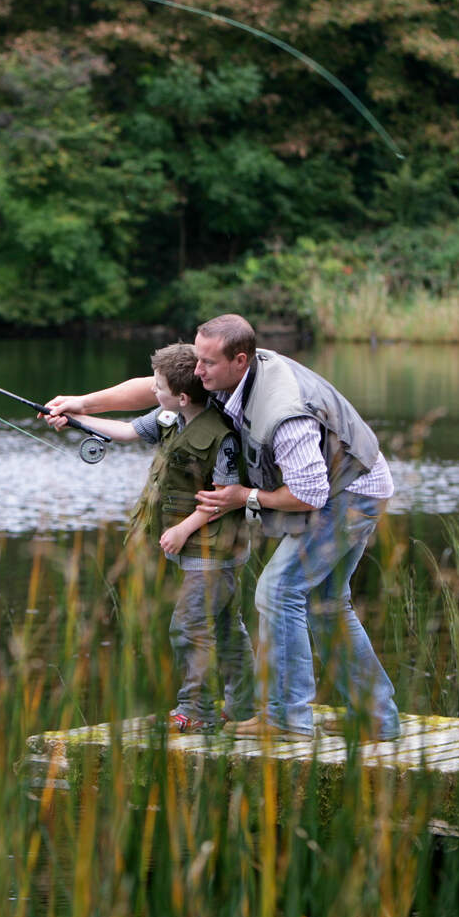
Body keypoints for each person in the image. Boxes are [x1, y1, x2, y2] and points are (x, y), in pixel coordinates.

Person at [46, 314, 399, 741]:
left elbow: (310, 495)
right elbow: (156, 388)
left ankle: (287, 720)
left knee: (279, 590)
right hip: (344, 482)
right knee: (325, 603)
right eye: (197, 360)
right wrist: (83, 404)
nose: (197, 373)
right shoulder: (222, 376)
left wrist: (243, 497)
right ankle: (376, 717)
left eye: (206, 364)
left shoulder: (282, 412)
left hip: (351, 490)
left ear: (240, 359)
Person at [43, 343, 256, 733]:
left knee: (190, 627)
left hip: (214, 550)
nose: (152, 392)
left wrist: (181, 529)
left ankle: (198, 711)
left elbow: (223, 499)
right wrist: (76, 419)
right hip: (198, 550)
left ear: (182, 396)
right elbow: (124, 431)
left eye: (158, 387)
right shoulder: (167, 418)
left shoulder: (222, 437)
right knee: (224, 626)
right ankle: (242, 707)